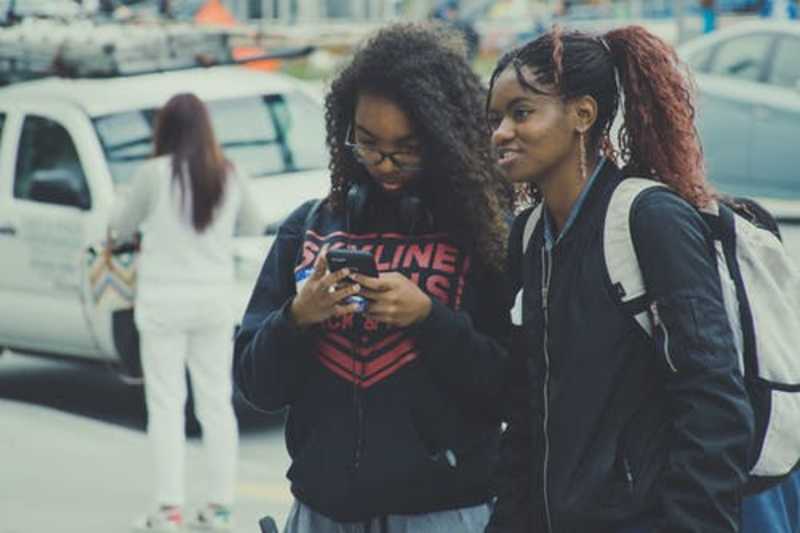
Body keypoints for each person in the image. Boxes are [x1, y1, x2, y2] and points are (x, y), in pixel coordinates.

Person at [234, 23, 511, 532]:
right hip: (322, 513)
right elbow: (256, 385)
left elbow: (512, 388)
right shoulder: (308, 227)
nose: (385, 162)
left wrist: (428, 319)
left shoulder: (487, 237)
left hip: (443, 513)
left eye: (407, 147)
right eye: (367, 143)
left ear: (444, 139)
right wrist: (298, 317)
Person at [485, 26, 755, 532]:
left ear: (582, 115)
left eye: (521, 113)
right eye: (495, 118)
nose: (501, 132)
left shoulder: (650, 218)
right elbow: (525, 413)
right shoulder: (526, 237)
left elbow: (713, 405)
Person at [110, 93, 263, 532]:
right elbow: (252, 225)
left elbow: (120, 229)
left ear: (165, 129)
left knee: (165, 404)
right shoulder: (227, 173)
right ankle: (219, 509)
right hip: (214, 300)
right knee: (216, 404)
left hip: (162, 303)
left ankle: (169, 509)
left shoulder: (152, 175)